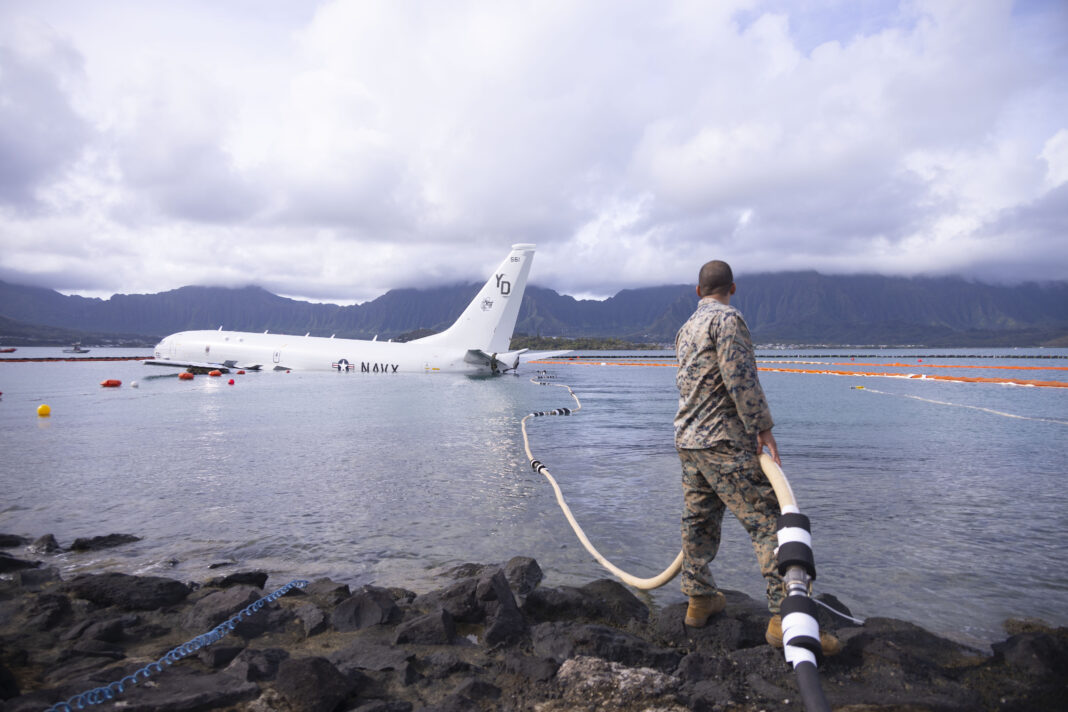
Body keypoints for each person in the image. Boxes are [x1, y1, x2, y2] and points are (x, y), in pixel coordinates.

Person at [674, 259, 839, 654]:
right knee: (770, 522)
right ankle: (786, 618)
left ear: (698, 292)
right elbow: (740, 376)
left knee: (699, 519)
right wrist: (762, 427)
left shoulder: (685, 328)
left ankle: (699, 600)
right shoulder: (728, 320)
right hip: (724, 441)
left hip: (688, 439)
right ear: (733, 288)